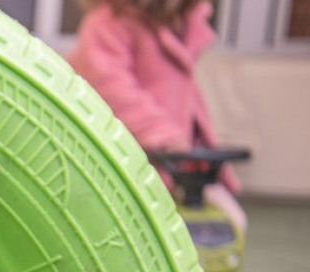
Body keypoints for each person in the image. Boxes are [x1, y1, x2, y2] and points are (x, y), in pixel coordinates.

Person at [68, 0, 246, 228]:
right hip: (133, 166)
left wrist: (202, 149)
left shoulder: (180, 26)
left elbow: (188, 103)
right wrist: (162, 135)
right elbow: (110, 86)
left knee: (232, 223)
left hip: (181, 169)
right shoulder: (107, 23)